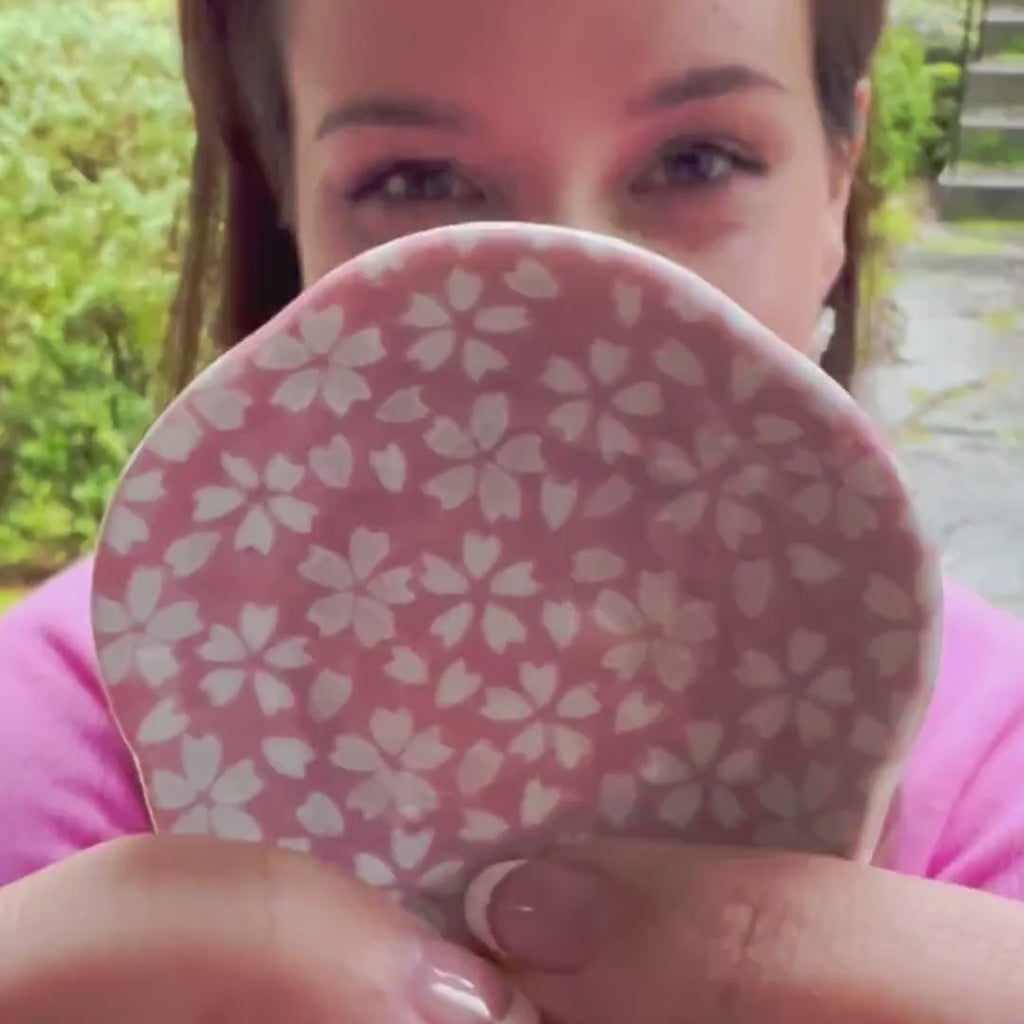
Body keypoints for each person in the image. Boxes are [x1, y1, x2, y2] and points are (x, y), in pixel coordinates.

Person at [2, 0, 1024, 1020]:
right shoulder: (44, 740)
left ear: (837, 186)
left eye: (698, 160)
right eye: (416, 179)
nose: (569, 300)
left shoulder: (998, 768)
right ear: (288, 203)